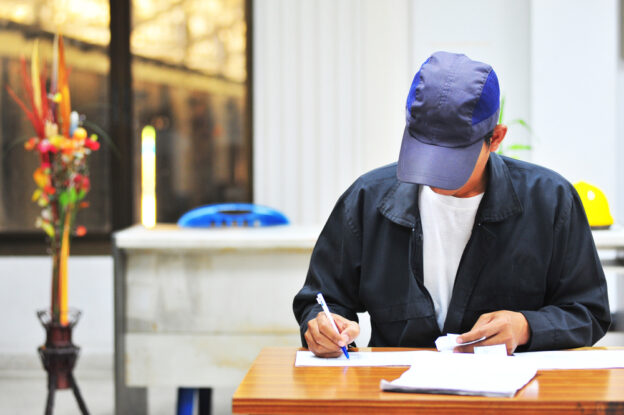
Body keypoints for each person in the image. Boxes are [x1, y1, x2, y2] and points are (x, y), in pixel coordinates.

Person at [293, 51, 611, 357]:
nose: (434, 172)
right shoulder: (367, 200)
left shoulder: (550, 201)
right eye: (424, 152)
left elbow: (588, 313)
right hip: (397, 398)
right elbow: (321, 299)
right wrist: (323, 326)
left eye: (452, 159)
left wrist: (526, 326)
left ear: (496, 139)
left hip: (513, 401)